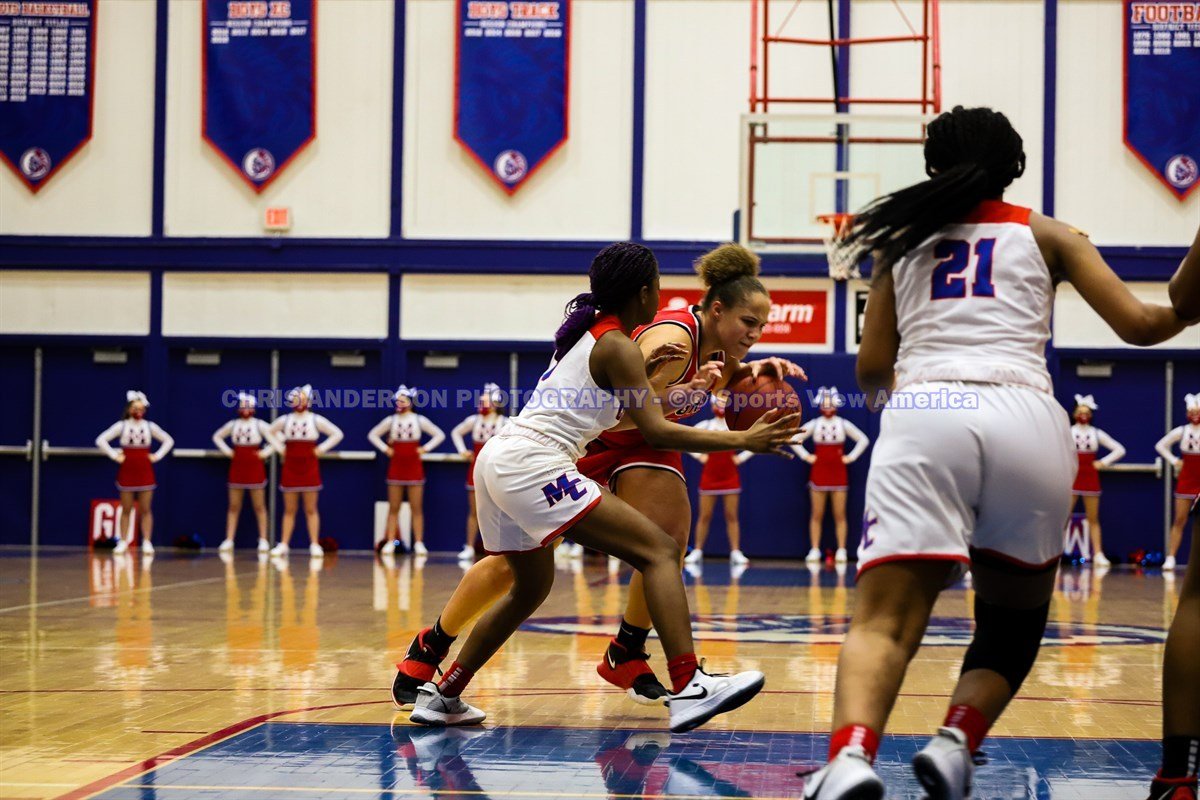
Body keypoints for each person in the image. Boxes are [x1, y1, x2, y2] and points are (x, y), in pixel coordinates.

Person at [798, 106, 1194, 800]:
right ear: (1015, 167)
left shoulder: (899, 243)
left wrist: (910, 421)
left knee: (885, 621)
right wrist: (1189, 304)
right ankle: (956, 742)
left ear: (932, 165)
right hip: (1027, 416)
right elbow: (1141, 325)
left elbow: (872, 368)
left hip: (926, 407)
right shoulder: (1050, 234)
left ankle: (852, 757)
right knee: (1012, 625)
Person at [405, 241, 799, 732]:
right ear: (644, 293)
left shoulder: (598, 335)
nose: (662, 296)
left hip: (502, 456)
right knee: (659, 551)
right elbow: (655, 430)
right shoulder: (623, 345)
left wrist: (685, 388)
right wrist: (745, 440)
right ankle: (688, 684)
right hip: (537, 462)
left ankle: (443, 695)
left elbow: (625, 402)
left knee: (530, 588)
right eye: (657, 287)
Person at [1148, 222, 1200, 800]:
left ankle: (1178, 778)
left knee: (1198, 601)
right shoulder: (1185, 432)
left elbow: (1183, 299)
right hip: (1189, 479)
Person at [792, 387, 870, 565]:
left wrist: (851, 457)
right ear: (820, 405)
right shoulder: (815, 424)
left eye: (831, 404)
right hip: (819, 472)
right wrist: (806, 456)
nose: (828, 407)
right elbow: (793, 438)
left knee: (840, 514)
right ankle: (814, 549)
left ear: (836, 404)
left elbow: (863, 440)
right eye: (825, 404)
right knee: (816, 514)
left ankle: (842, 550)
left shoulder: (843, 424)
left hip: (838, 473)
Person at [368, 386, 446, 556]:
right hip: (396, 466)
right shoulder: (391, 420)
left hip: (414, 466)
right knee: (393, 507)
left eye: (403, 400)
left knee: (416, 507)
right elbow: (372, 434)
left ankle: (419, 543)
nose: (400, 403)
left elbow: (439, 434)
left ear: (411, 402)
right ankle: (390, 541)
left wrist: (425, 448)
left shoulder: (419, 420)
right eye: (398, 400)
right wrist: (385, 449)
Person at [269, 385, 343, 559]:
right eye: (296, 399)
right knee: (289, 509)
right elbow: (269, 432)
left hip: (309, 466)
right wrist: (280, 448)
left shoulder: (315, 419)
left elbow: (337, 434)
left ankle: (314, 544)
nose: (299, 402)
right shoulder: (285, 420)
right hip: (290, 466)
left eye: (302, 399)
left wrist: (321, 449)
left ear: (308, 401)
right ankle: (284, 544)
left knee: (311, 509)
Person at [96, 390, 174, 556]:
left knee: (146, 508)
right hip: (127, 470)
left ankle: (147, 541)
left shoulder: (149, 426)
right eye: (135, 408)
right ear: (129, 409)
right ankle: (123, 541)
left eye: (141, 408)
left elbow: (168, 440)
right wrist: (114, 455)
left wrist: (157, 455)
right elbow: (100, 440)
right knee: (126, 508)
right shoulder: (122, 426)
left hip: (145, 469)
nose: (138, 411)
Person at [684, 391, 753, 565]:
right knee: (704, 516)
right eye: (718, 403)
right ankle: (697, 551)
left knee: (732, 515)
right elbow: (683, 439)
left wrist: (741, 458)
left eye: (724, 403)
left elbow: (754, 440)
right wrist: (699, 456)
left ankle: (735, 552)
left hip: (730, 476)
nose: (720, 406)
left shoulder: (734, 426)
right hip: (710, 476)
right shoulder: (706, 425)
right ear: (712, 405)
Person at [213, 392, 280, 553]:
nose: (245, 409)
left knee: (259, 506)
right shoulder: (233, 424)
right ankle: (229, 540)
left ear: (254, 408)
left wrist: (265, 453)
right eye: (243, 406)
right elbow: (217, 437)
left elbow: (279, 437)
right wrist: (228, 452)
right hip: (237, 466)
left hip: (255, 467)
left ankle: (263, 539)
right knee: (234, 506)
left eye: (248, 406)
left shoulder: (259, 424)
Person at [449, 383, 508, 561]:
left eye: (485, 402)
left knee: (499, 512)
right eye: (481, 402)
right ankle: (469, 546)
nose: (481, 405)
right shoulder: (473, 420)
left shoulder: (505, 422)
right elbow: (456, 432)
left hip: (497, 470)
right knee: (474, 511)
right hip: (476, 469)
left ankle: (500, 549)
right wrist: (462, 451)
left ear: (496, 403)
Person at [1068, 394, 1126, 567]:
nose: (1083, 415)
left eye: (1087, 412)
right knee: (1064, 518)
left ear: (1091, 415)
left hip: (1090, 476)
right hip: (1072, 475)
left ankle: (1098, 554)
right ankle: (1057, 552)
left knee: (1093, 518)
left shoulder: (1095, 433)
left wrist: (1103, 462)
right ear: (1074, 414)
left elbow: (1119, 449)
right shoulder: (1068, 431)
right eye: (1080, 412)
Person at [1155, 393, 1200, 571]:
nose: (1195, 415)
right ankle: (1171, 557)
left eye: (1198, 411)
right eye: (1192, 411)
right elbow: (1160, 445)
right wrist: (1174, 461)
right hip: (1187, 478)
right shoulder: (1182, 431)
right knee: (1179, 519)